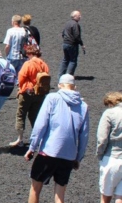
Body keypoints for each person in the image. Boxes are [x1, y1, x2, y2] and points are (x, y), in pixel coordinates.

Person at [25, 74, 90, 203]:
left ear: (60, 85)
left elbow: (40, 125)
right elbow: (84, 136)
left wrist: (32, 147)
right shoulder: (83, 106)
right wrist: (78, 157)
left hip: (49, 152)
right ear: (74, 87)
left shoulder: (52, 98)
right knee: (60, 195)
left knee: (35, 188)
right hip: (68, 155)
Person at [9, 45, 50, 147]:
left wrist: (20, 87)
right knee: (35, 116)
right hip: (40, 94)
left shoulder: (28, 64)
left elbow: (21, 77)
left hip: (27, 92)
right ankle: (38, 138)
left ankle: (20, 139)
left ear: (30, 53)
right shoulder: (44, 64)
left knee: (21, 115)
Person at [59, 10, 85, 77]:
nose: (80, 17)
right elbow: (77, 36)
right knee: (73, 61)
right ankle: (69, 76)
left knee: (65, 60)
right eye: (79, 15)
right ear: (75, 16)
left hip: (65, 44)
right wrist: (82, 44)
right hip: (72, 45)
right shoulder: (75, 24)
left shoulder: (67, 23)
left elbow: (63, 33)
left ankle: (61, 76)